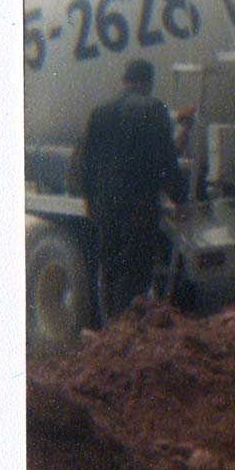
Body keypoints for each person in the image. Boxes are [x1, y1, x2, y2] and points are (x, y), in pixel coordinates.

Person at [75, 59, 188, 321]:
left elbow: (86, 161)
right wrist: (180, 199)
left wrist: (88, 199)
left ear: (124, 80)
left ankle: (111, 328)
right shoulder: (153, 108)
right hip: (139, 206)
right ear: (147, 82)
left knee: (110, 268)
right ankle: (126, 332)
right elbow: (165, 161)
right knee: (135, 271)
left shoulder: (100, 111)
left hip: (105, 204)